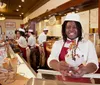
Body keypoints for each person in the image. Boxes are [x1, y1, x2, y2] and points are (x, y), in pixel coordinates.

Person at [47, 13, 99, 80]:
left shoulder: (88, 44)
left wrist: (85, 69)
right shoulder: (58, 43)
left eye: (74, 27)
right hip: (62, 81)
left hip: (83, 81)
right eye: (68, 27)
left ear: (79, 29)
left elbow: (94, 64)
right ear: (64, 29)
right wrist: (58, 65)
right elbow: (51, 60)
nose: (71, 29)